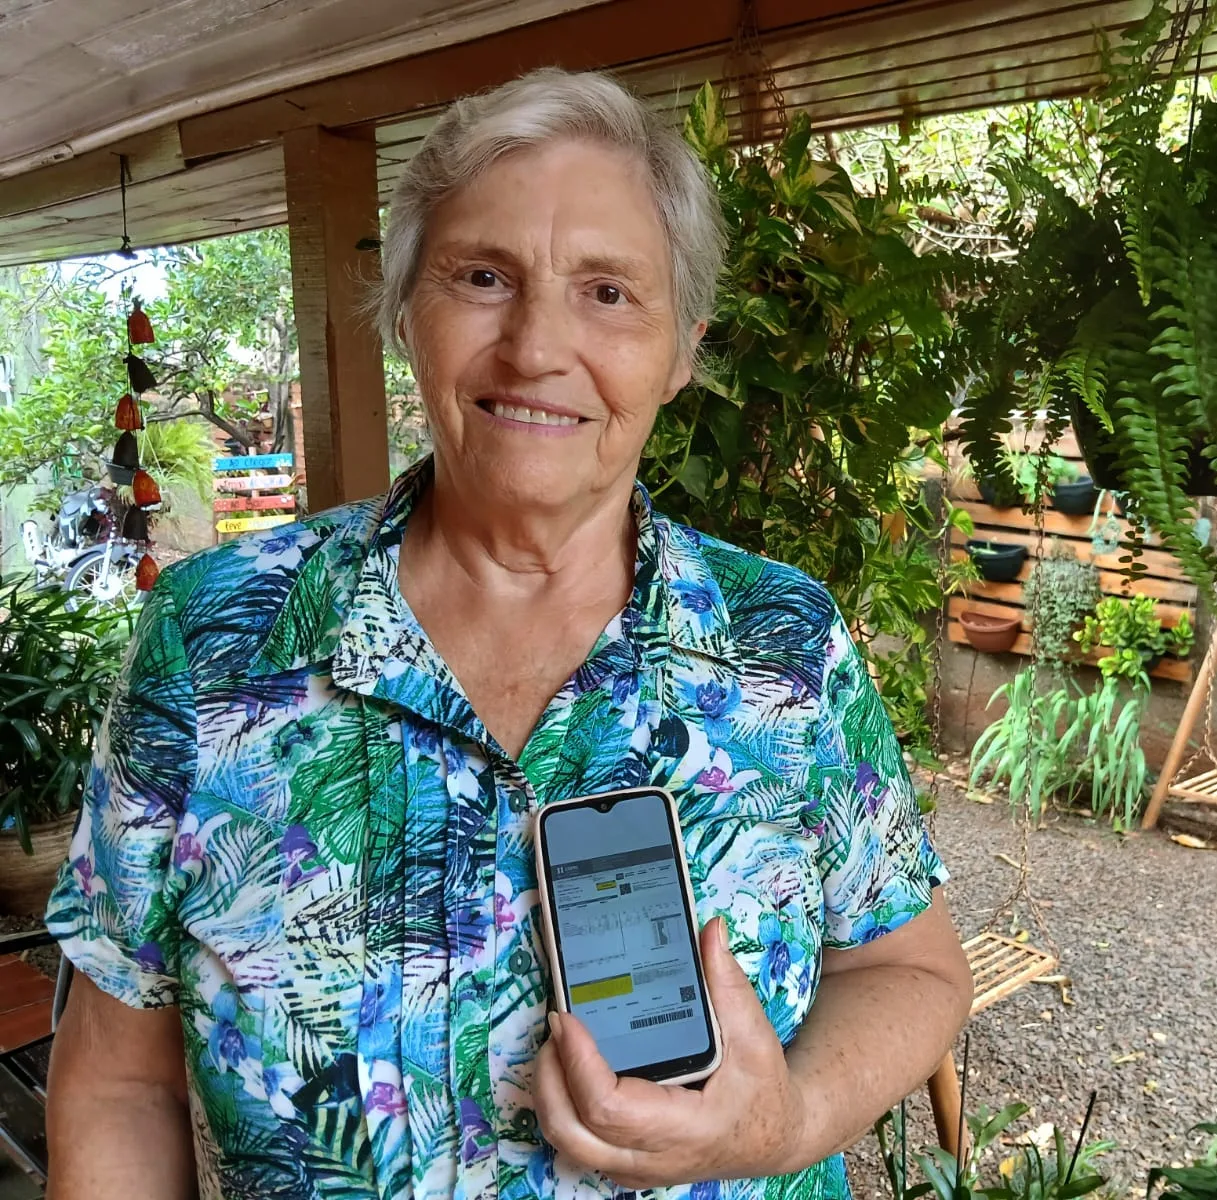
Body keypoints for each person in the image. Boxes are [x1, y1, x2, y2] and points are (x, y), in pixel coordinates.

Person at [44, 68, 972, 1200]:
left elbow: (909, 968)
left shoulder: (783, 646)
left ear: (681, 347)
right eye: (482, 277)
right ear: (403, 313)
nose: (537, 345)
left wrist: (782, 1122)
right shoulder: (215, 641)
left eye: (608, 291)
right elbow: (119, 1081)